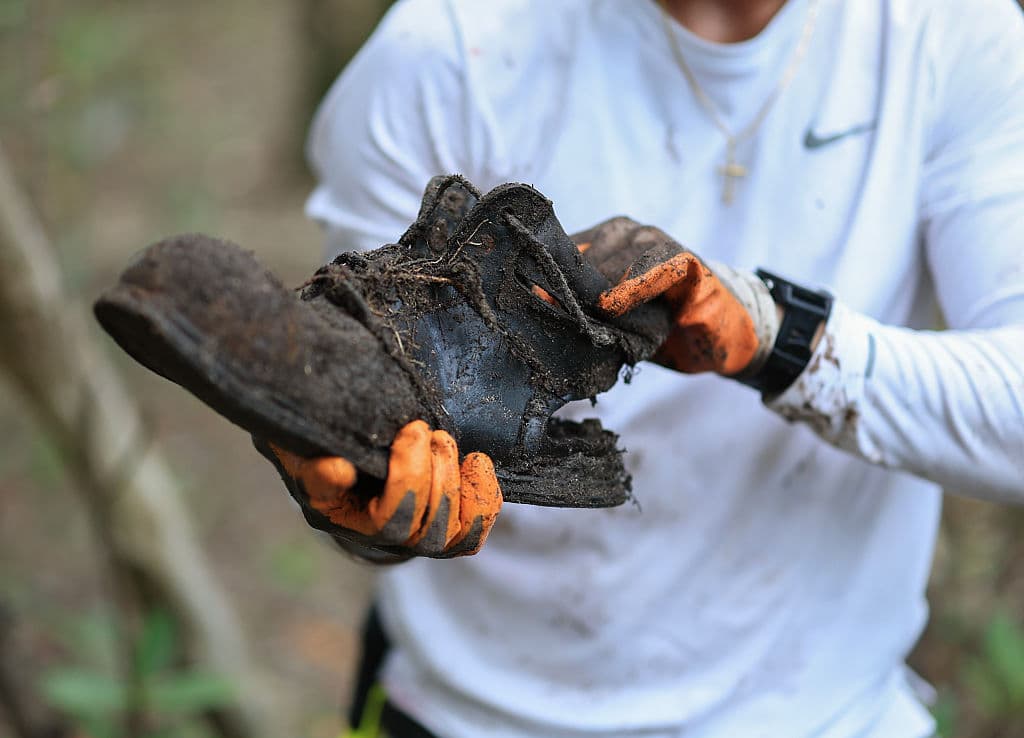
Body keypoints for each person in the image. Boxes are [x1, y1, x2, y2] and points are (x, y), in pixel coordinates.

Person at [268, 0, 1024, 735]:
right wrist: (367, 491)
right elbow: (371, 427)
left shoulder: (949, 33)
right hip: (472, 706)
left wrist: (775, 336)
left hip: (826, 709)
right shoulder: (445, 47)